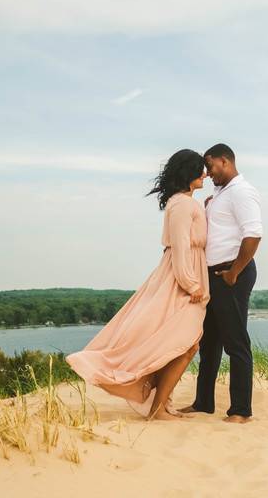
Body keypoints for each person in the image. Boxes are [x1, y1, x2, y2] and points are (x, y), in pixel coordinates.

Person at [65, 149, 210, 421]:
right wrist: (191, 284)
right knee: (185, 343)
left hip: (186, 272)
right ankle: (157, 407)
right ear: (189, 173)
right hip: (181, 279)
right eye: (200, 169)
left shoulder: (187, 203)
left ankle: (162, 404)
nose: (205, 174)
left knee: (180, 343)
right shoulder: (183, 204)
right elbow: (179, 246)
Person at [182, 143, 262, 423]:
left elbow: (253, 234)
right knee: (210, 343)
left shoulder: (242, 192)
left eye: (211, 165)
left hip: (231, 275)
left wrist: (234, 272)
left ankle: (241, 410)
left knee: (235, 343)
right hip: (213, 275)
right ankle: (203, 403)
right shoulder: (220, 193)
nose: (207, 172)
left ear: (225, 162)